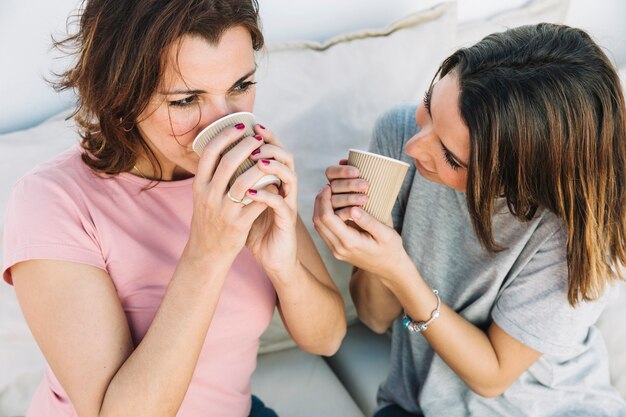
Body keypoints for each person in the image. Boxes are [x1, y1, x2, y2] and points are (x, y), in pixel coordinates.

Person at [2, 0, 347, 416]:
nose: (226, 126)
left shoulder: (250, 168)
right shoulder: (51, 201)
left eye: (240, 86)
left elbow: (326, 339)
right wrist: (208, 252)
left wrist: (285, 267)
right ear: (120, 94)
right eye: (185, 101)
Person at [313, 23, 626, 416]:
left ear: (518, 179)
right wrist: (372, 240)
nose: (414, 146)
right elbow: (375, 317)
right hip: (415, 406)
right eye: (429, 103)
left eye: (451, 157)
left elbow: (492, 377)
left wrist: (398, 269)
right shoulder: (397, 136)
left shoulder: (575, 233)